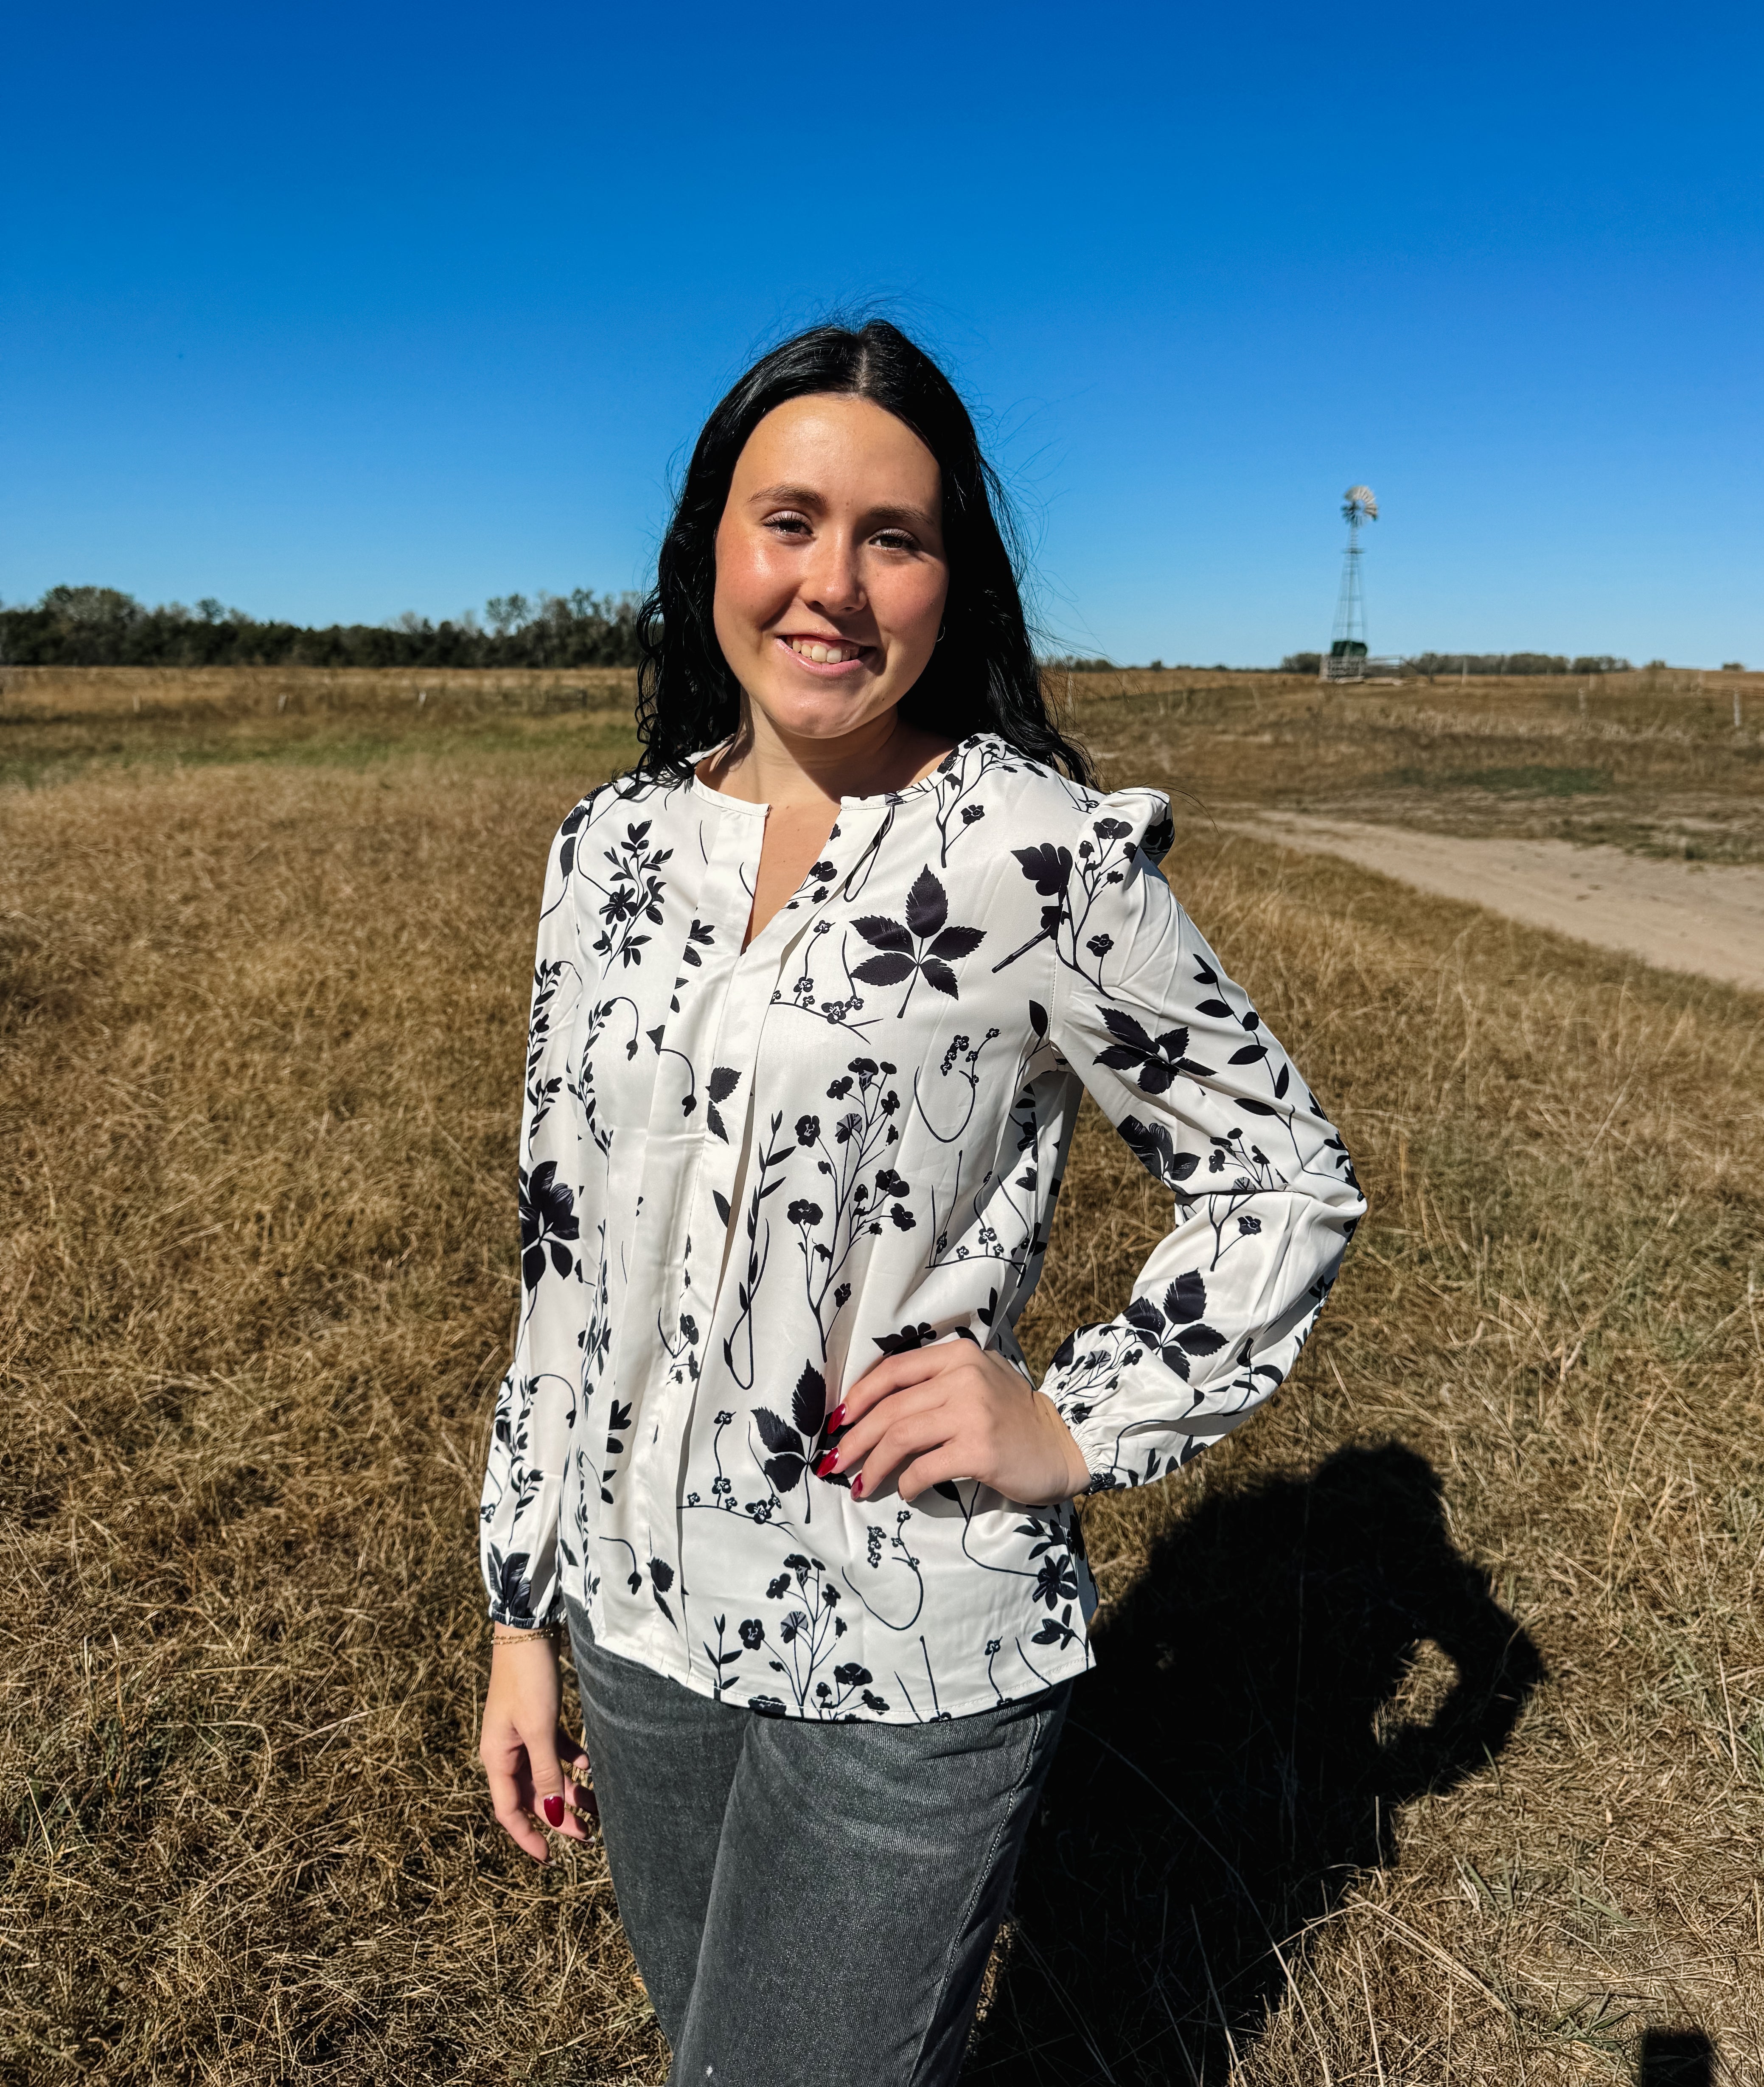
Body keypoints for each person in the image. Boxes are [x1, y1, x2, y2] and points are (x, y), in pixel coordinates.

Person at [477, 318, 1364, 2085]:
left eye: (894, 536)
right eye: (787, 520)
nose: (833, 585)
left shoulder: (1030, 854)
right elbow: (563, 1256)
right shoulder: (610, 853)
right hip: (641, 1625)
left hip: (907, 1641)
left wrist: (1075, 1421)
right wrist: (522, 1608)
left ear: (952, 581)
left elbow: (1277, 1173)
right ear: (706, 549)